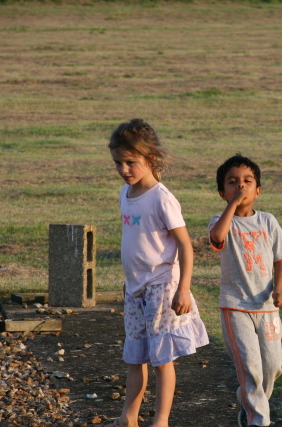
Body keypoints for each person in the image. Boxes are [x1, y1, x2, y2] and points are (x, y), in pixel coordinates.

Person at [105, 119, 209, 427]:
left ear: (150, 158)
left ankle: (161, 421)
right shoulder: (125, 193)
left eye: (131, 162)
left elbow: (185, 245)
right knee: (135, 356)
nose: (124, 169)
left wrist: (183, 289)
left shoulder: (162, 198)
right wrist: (129, 283)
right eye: (118, 163)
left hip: (162, 287)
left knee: (162, 359)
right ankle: (128, 417)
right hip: (135, 288)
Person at [209, 154, 282, 427]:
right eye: (232, 182)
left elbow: (281, 260)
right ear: (222, 192)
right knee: (250, 366)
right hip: (235, 307)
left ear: (258, 190)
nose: (240, 186)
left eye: (247, 181)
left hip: (267, 308)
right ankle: (259, 421)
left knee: (272, 367)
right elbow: (217, 237)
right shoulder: (221, 220)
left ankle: (250, 407)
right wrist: (233, 204)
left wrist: (278, 290)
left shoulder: (268, 221)